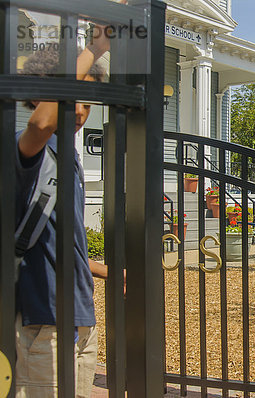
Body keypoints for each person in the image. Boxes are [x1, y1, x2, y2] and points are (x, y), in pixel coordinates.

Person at [14, 31, 112, 397]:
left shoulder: (68, 157)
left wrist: (103, 269)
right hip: (44, 320)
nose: (82, 110)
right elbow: (40, 124)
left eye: (87, 100)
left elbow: (57, 240)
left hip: (80, 317)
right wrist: (97, 47)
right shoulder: (32, 151)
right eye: (72, 97)